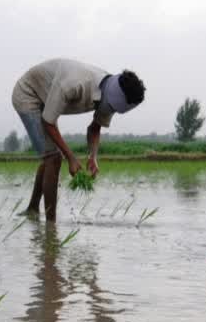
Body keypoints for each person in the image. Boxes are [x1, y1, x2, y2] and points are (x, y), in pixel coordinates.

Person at [11, 58, 145, 220]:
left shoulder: (111, 96)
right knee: (53, 158)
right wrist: (71, 158)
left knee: (50, 156)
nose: (110, 111)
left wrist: (93, 156)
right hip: (28, 94)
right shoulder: (74, 84)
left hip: (47, 97)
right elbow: (48, 122)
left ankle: (33, 209)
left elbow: (94, 128)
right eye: (111, 107)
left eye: (114, 109)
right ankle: (51, 225)